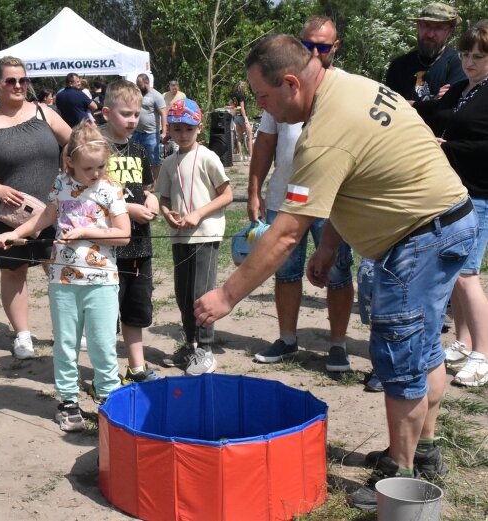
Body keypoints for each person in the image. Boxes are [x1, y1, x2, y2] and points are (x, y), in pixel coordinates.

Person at [194, 34, 476, 511]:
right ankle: (425, 450)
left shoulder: (323, 131)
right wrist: (327, 247)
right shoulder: (349, 85)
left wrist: (226, 295)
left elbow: (284, 234)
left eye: (262, 96)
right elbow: (358, 182)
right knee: (425, 348)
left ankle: (402, 476)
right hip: (449, 221)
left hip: (417, 238)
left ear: (290, 83)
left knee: (402, 355)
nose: (261, 106)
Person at [0, 121, 130, 431]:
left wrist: (85, 231)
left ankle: (108, 398)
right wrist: (16, 232)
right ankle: (68, 401)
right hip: (63, 280)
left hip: (102, 280)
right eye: (88, 168)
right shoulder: (61, 184)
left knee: (102, 343)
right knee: (65, 343)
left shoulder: (110, 190)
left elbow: (123, 234)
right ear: (70, 162)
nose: (95, 173)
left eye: (100, 166)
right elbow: (46, 215)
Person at [248, 16, 354, 372]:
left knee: (338, 271)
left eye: (322, 46)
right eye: (307, 44)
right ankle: (288, 338)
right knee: (286, 271)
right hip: (286, 197)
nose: (314, 52)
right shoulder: (281, 87)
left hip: (331, 202)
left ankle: (338, 345)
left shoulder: (341, 90)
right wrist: (254, 189)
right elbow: (265, 144)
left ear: (334, 48)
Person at [0, 56, 71, 360]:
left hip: (52, 209)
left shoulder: (44, 113)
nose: (18, 86)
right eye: (11, 81)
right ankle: (23, 334)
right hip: (5, 212)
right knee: (14, 271)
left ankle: (69, 329)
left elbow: (76, 143)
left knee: (60, 266)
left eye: (23, 80)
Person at [415, 20, 488, 387]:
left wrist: (450, 148)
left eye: (478, 56)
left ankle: (483, 354)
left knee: (467, 275)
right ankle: (463, 341)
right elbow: (430, 115)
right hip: (452, 192)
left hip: (480, 194)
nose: (469, 61)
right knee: (454, 272)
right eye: (465, 54)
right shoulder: (461, 88)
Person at [158, 98, 233, 376]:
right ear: (169, 130)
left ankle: (205, 347)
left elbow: (226, 194)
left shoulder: (208, 157)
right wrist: (167, 214)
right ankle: (190, 344)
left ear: (199, 128)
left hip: (205, 234)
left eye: (188, 129)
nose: (182, 135)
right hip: (180, 237)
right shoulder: (168, 162)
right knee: (182, 294)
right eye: (176, 129)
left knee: (201, 294)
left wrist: (199, 214)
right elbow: (164, 198)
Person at [101, 79, 161, 383]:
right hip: (104, 248)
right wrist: (127, 209)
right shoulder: (95, 147)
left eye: (136, 114)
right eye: (126, 114)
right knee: (105, 313)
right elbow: (86, 194)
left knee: (134, 308)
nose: (132, 120)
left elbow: (147, 187)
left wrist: (151, 198)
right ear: (106, 112)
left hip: (138, 246)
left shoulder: (138, 150)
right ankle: (107, 372)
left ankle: (136, 367)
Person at [386, 2, 465, 104]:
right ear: (418, 26)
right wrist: (434, 103)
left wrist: (407, 104)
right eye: (427, 25)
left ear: (450, 31)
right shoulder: (398, 66)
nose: (431, 34)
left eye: (439, 27)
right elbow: (389, 106)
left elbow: (449, 109)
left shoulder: (459, 64)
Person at [133, 73, 167, 181]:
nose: (137, 86)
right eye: (137, 84)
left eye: (139, 84)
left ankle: (156, 184)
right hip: (137, 132)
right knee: (136, 158)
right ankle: (141, 182)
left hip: (151, 134)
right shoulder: (138, 94)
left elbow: (163, 113)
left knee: (154, 160)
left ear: (147, 82)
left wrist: (164, 132)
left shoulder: (156, 95)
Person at [230, 81, 254, 161]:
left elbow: (232, 105)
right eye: (245, 88)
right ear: (242, 87)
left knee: (239, 137)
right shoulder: (241, 95)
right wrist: (246, 119)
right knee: (250, 135)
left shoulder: (233, 95)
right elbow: (242, 108)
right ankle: (251, 156)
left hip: (236, 117)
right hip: (241, 117)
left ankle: (240, 155)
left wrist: (234, 115)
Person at [162, 80, 186, 155]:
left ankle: (177, 155)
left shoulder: (182, 95)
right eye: (172, 89)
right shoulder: (164, 95)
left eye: (175, 89)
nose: (174, 90)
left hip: (178, 120)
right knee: (165, 139)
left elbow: (185, 107)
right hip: (166, 120)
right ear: (170, 88)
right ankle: (166, 153)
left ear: (178, 87)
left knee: (176, 139)